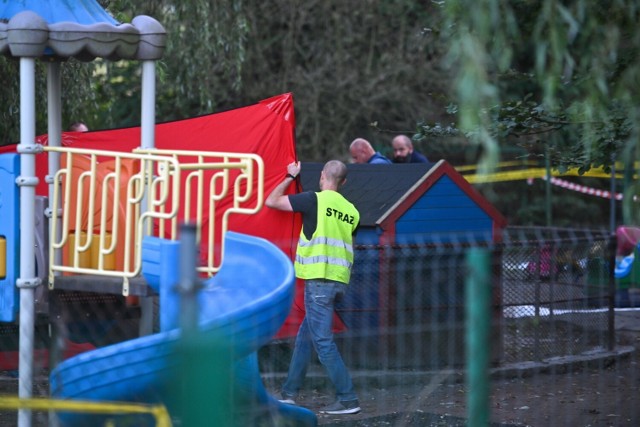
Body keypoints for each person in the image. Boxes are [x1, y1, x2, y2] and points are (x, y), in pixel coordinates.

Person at [265, 160, 362, 415]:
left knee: (322, 341)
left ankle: (348, 399)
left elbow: (272, 201)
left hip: (319, 281)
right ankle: (289, 393)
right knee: (306, 338)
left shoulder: (313, 200)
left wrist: (289, 175)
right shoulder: (352, 211)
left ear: (322, 176)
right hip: (339, 281)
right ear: (344, 182)